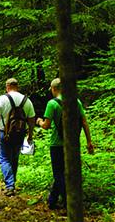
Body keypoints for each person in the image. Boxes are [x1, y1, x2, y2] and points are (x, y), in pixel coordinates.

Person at [36, 78, 94, 209]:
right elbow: (84, 122)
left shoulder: (52, 103)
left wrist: (39, 121)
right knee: (66, 173)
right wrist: (89, 141)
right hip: (72, 145)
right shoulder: (76, 101)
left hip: (57, 144)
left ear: (54, 89)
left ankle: (69, 202)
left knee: (59, 174)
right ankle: (52, 201)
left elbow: (46, 125)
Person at [0, 78, 35, 195]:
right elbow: (31, 119)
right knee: (14, 158)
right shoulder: (26, 100)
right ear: (18, 86)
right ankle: (12, 182)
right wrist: (30, 135)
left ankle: (10, 185)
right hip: (20, 134)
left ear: (7, 87)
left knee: (4, 158)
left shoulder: (3, 98)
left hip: (4, 133)